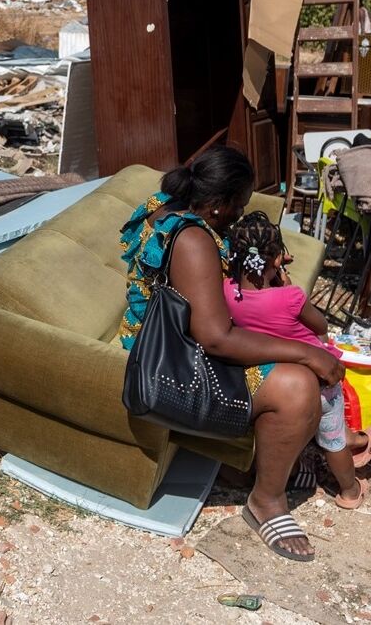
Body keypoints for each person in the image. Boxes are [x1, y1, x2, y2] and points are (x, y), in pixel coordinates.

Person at [119, 146, 345, 563]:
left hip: (153, 333)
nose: (240, 214)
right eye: (239, 206)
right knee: (298, 385)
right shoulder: (193, 241)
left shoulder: (166, 204)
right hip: (173, 357)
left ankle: (262, 460)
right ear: (219, 204)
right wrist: (307, 354)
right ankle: (267, 501)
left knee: (295, 362)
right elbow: (216, 338)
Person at [223, 211, 371, 509]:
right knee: (333, 439)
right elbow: (321, 326)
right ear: (277, 260)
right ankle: (350, 491)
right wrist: (286, 285)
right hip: (318, 379)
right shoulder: (290, 297)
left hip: (276, 376)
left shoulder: (227, 292)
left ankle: (324, 459)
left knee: (311, 431)